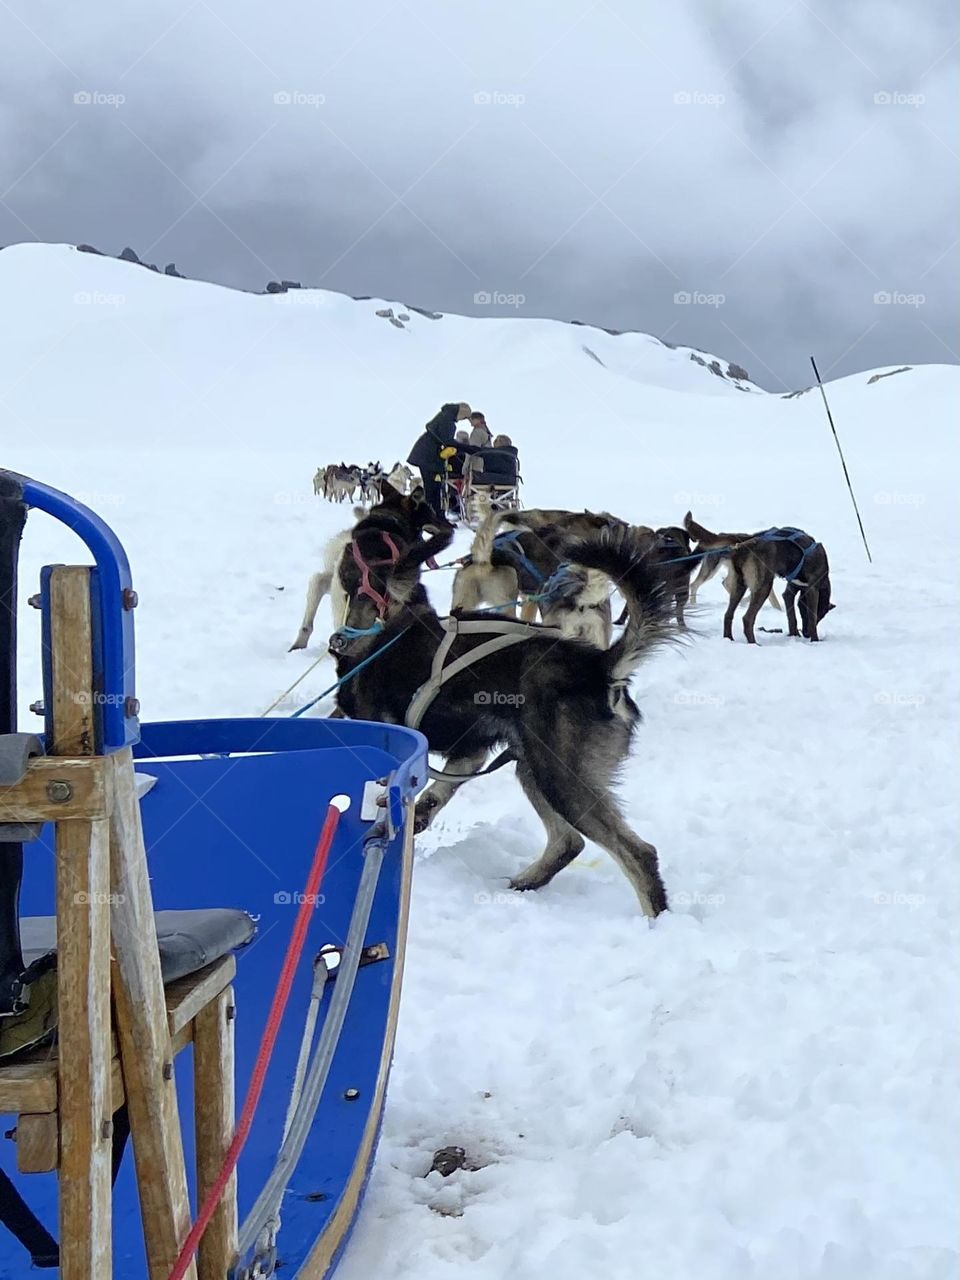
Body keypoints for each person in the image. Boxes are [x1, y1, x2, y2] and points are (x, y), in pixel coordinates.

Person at [406, 402, 471, 521]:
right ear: (461, 413)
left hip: (427, 456)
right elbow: (448, 441)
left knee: (433, 489)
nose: (463, 420)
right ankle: (433, 518)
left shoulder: (444, 416)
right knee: (432, 490)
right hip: (429, 458)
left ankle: (435, 517)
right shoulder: (448, 421)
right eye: (465, 417)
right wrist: (470, 449)